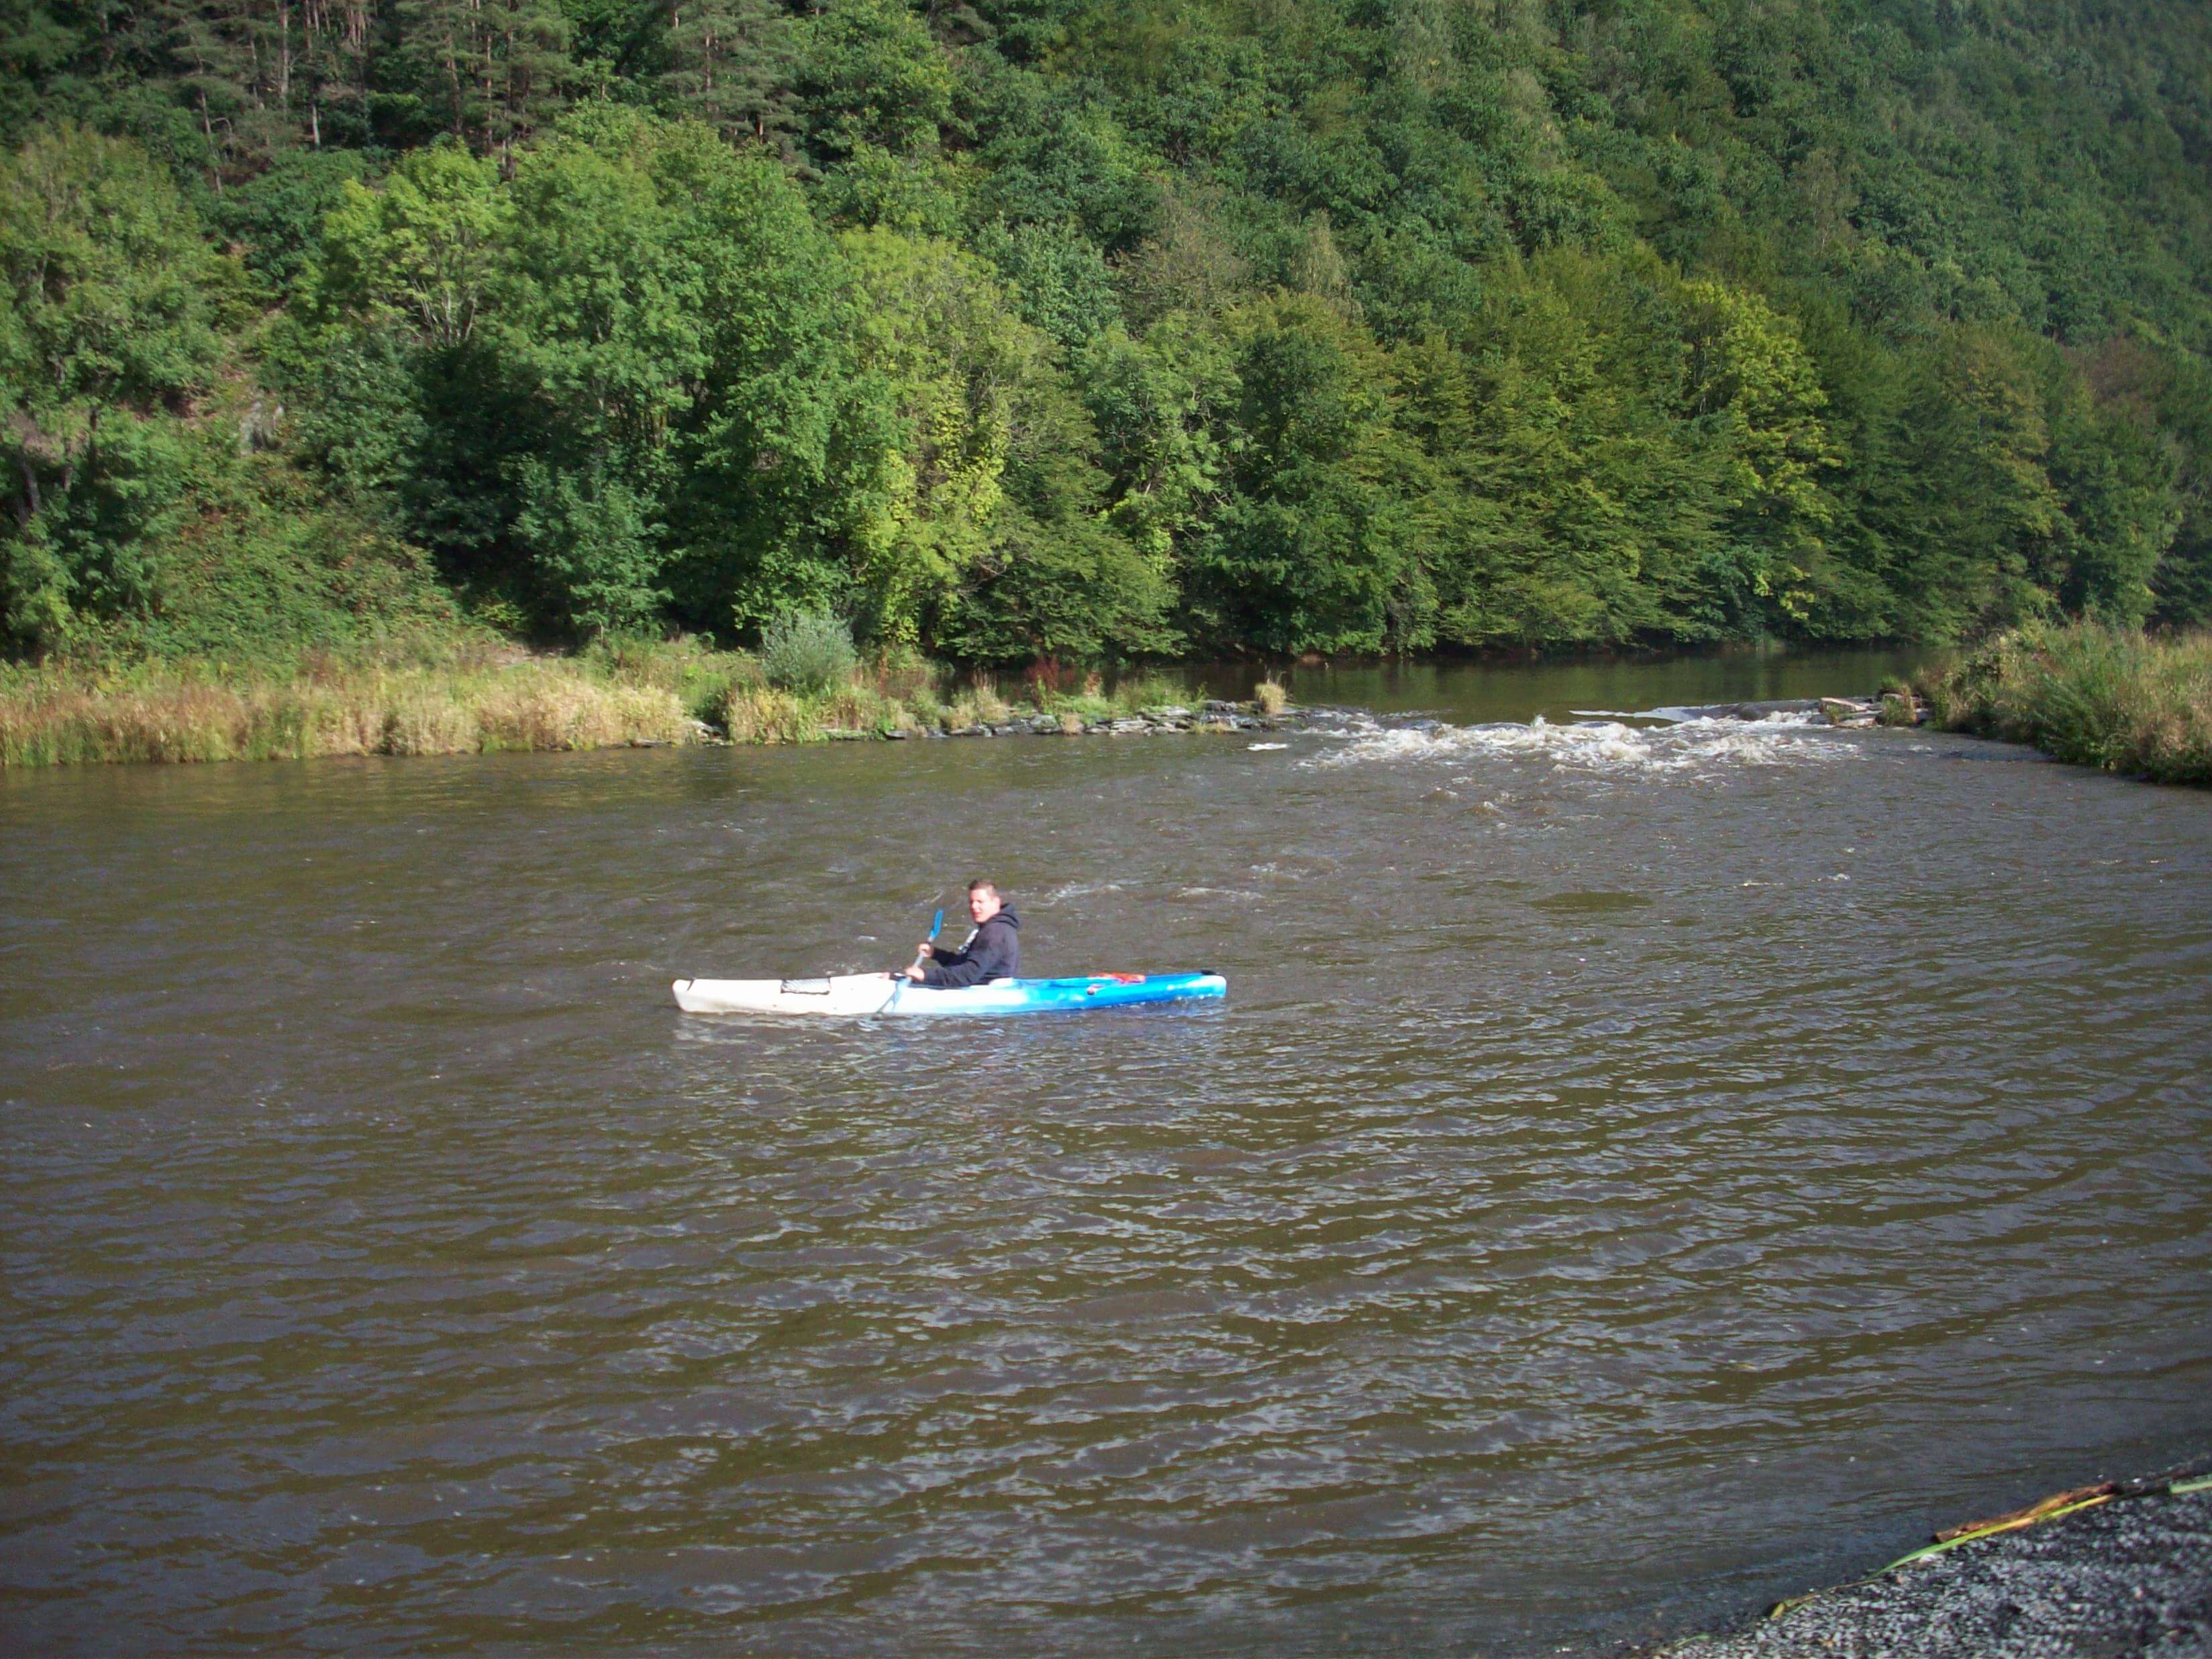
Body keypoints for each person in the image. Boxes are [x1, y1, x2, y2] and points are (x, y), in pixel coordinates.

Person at [902, 880, 1020, 985]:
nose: (974, 906)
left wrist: (925, 975)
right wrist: (936, 954)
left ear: (996, 903)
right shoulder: (992, 928)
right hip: (982, 983)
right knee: (891, 977)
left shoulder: (995, 933)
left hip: (987, 991)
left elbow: (967, 975)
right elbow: (963, 964)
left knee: (892, 978)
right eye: (971, 902)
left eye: (980, 902)